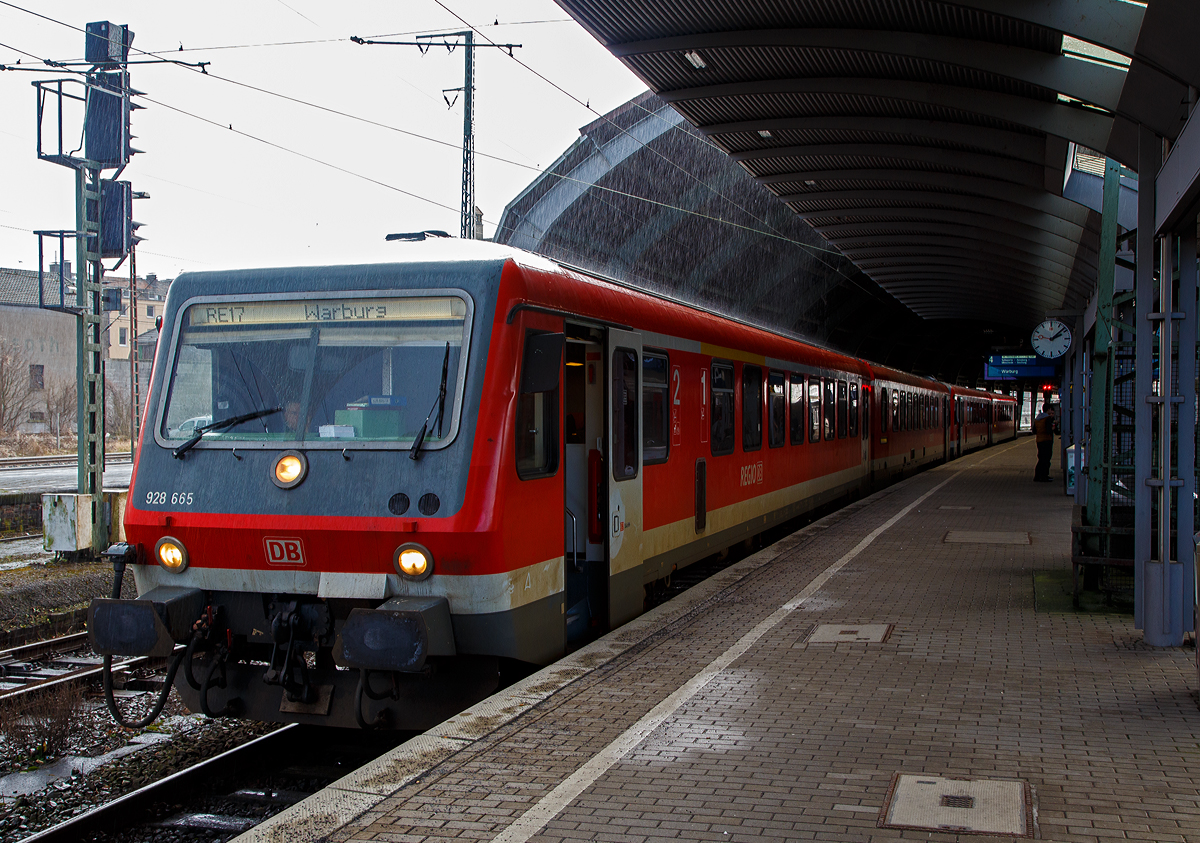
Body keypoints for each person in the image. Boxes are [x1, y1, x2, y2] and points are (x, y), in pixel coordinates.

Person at [1033, 402, 1054, 482]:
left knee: (1041, 459)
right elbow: (1049, 430)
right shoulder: (1047, 418)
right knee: (1046, 459)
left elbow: (1034, 431)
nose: (1051, 411)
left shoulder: (1037, 418)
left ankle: (1037, 476)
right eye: (1051, 409)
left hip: (1039, 440)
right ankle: (1044, 476)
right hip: (1046, 440)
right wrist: (1053, 428)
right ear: (1048, 409)